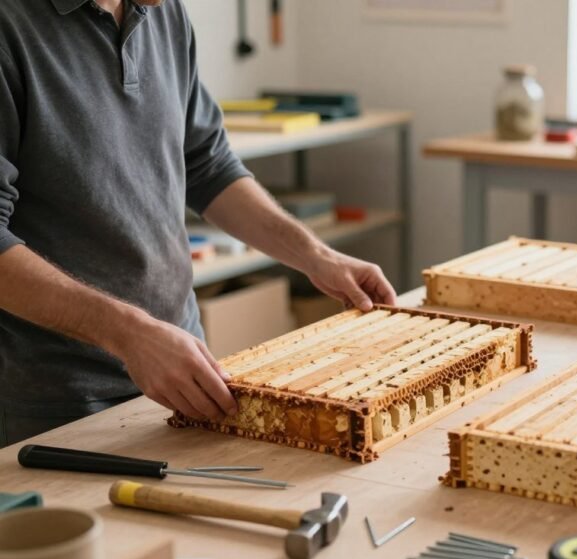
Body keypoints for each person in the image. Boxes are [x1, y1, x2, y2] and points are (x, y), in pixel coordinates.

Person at [0, 0, 397, 447]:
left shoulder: (163, 12)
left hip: (184, 369)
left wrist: (316, 256)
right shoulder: (10, 27)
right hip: (59, 401)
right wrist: (130, 334)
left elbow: (208, 165)